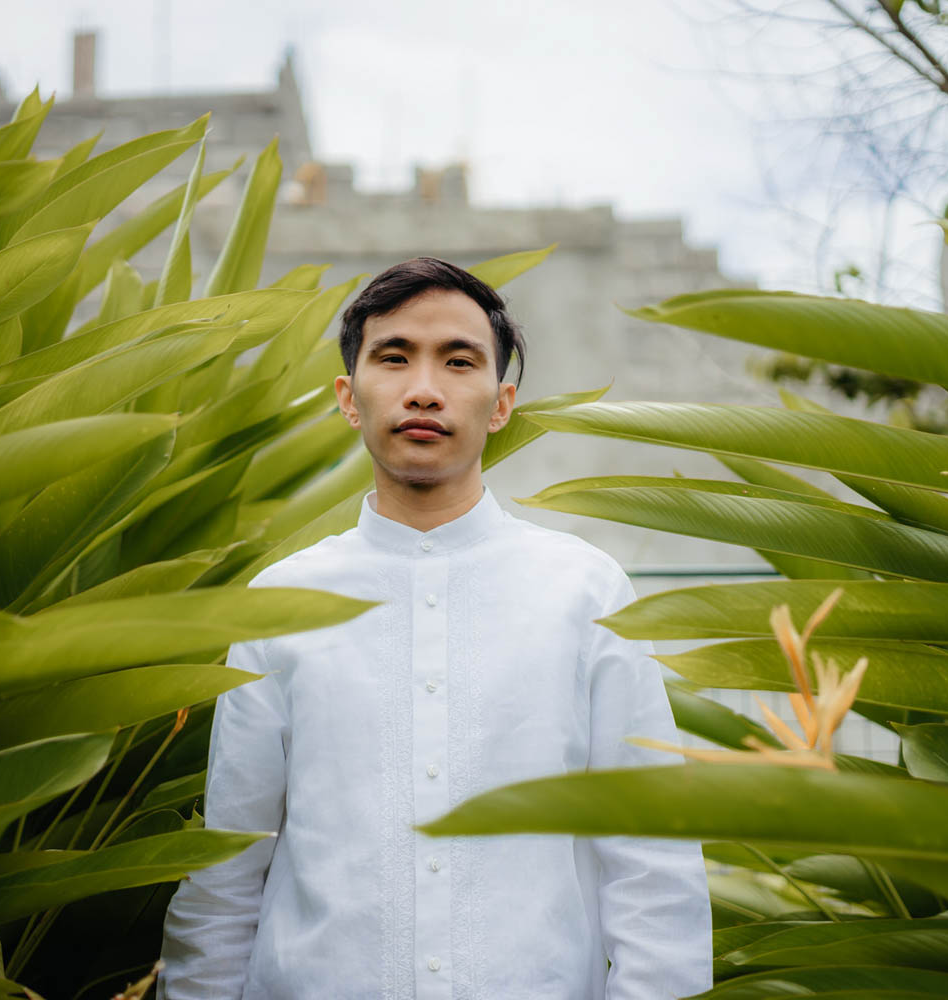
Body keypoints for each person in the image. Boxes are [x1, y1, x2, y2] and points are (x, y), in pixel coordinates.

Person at [159, 258, 712, 999]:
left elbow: (651, 863)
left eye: (459, 361)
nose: (424, 388)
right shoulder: (283, 600)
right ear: (349, 398)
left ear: (502, 403)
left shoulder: (584, 591)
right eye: (394, 357)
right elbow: (226, 874)